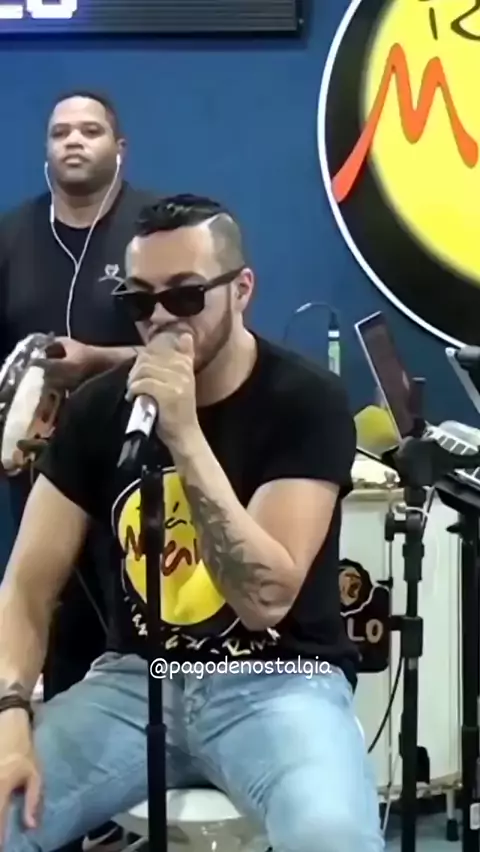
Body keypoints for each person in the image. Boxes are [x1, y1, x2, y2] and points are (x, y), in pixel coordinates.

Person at [0, 194, 384, 852]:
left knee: (332, 836)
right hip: (134, 681)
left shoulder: (302, 400)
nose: (159, 319)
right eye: (138, 300)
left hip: (280, 679)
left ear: (241, 290)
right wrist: (11, 720)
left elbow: (265, 599)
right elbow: (27, 588)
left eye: (184, 296)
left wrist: (185, 436)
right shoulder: (100, 410)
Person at [0, 89, 156, 851]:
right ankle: (71, 817)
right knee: (51, 627)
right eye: (60, 130)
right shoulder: (12, 236)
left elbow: (196, 347)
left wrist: (97, 362)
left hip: (141, 474)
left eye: (90, 130)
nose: (73, 141)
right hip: (41, 478)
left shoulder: (157, 234)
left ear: (118, 146)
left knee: (131, 632)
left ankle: (143, 805)